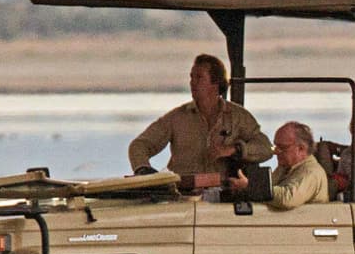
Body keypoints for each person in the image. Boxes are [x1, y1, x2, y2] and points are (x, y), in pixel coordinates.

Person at [128, 53, 272, 192]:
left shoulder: (238, 117)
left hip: (224, 198)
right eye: (191, 77)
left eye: (199, 77)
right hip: (184, 197)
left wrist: (235, 149)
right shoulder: (177, 117)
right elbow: (139, 145)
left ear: (215, 83)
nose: (192, 82)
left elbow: (266, 148)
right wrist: (144, 172)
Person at [231, 121, 328, 210]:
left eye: (282, 147)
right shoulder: (284, 168)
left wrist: (251, 186)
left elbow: (287, 199)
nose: (276, 152)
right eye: (276, 146)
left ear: (301, 148)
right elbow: (270, 191)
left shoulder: (312, 172)